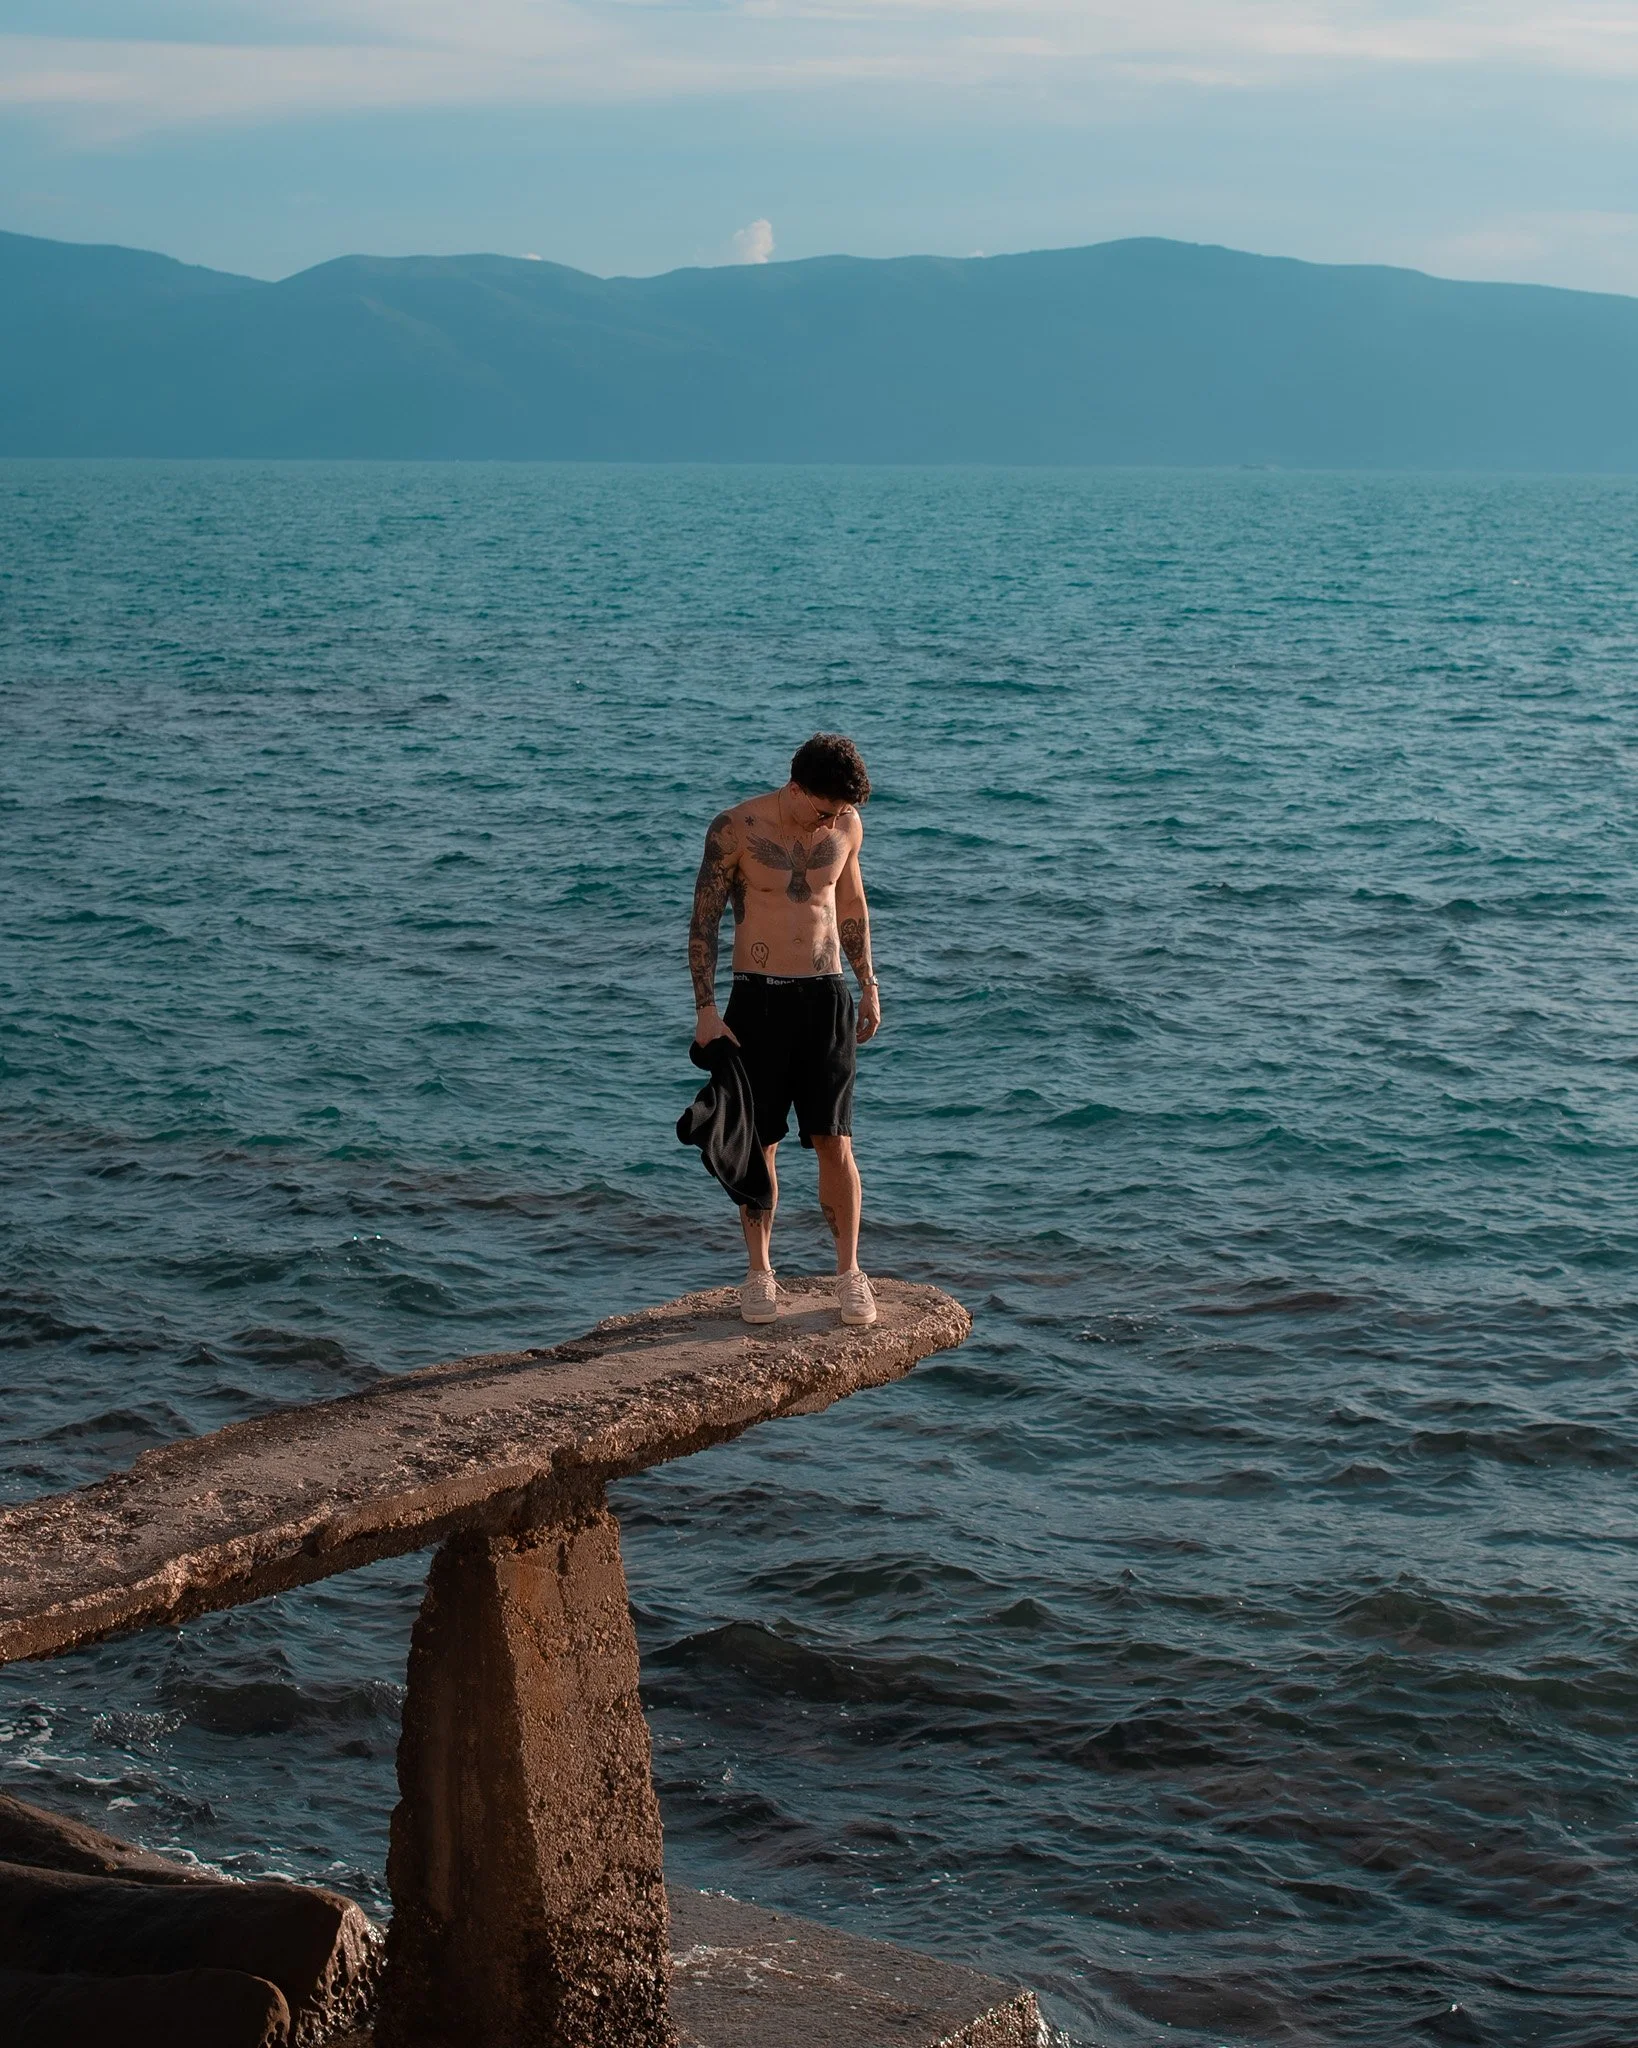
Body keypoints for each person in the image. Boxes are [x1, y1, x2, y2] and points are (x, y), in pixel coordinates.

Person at [689, 733, 882, 1326]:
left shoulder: (846, 825)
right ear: (796, 788)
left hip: (825, 998)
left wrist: (868, 983)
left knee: (836, 1141)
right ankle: (760, 1275)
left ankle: (849, 1273)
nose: (834, 819)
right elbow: (704, 921)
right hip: (758, 1000)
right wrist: (706, 1010)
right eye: (825, 808)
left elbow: (850, 905)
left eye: (841, 810)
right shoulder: (736, 828)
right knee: (760, 1142)